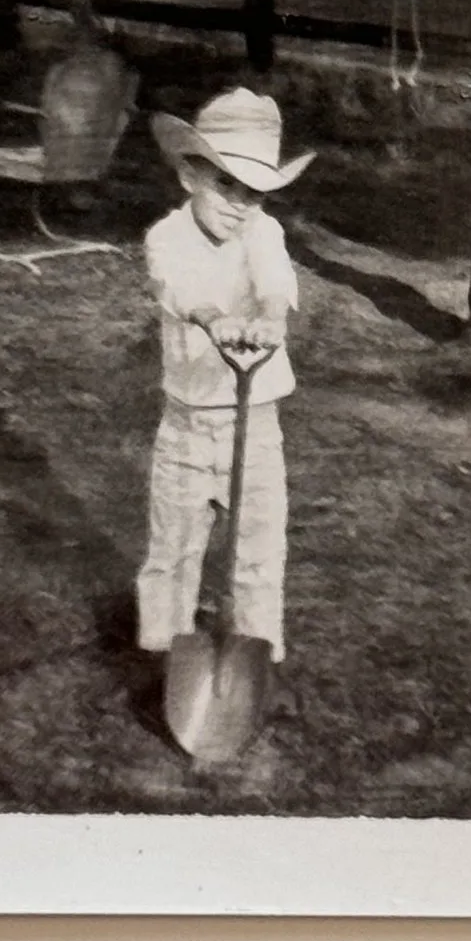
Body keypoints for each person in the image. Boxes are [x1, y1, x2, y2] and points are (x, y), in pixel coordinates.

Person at [135, 84, 313, 668]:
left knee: (260, 547)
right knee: (174, 548)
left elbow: (275, 282)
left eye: (255, 194)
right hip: (186, 426)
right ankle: (165, 654)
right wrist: (212, 317)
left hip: (255, 423)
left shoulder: (264, 234)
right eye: (226, 185)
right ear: (190, 176)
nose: (239, 204)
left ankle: (255, 657)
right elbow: (174, 286)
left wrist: (265, 317)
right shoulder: (167, 237)